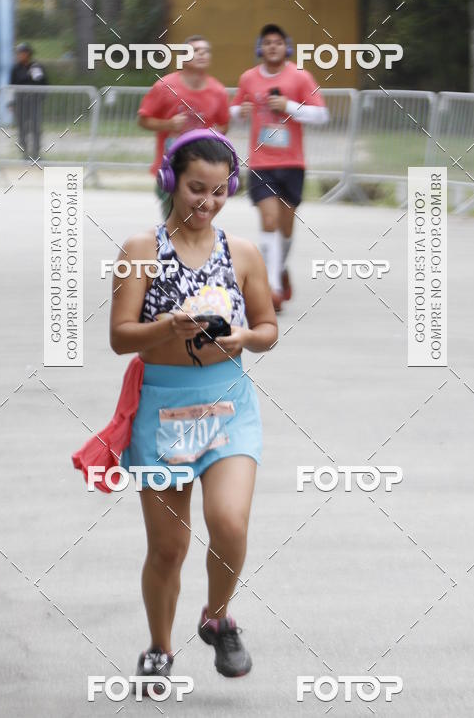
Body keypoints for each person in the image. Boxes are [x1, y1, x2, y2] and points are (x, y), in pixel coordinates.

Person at [110, 128, 278, 688]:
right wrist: (168, 325)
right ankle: (159, 648)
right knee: (168, 547)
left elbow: (268, 327)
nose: (206, 203)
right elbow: (120, 336)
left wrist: (246, 341)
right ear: (170, 183)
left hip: (229, 405)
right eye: (194, 188)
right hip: (163, 409)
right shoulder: (140, 251)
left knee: (229, 523)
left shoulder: (243, 253)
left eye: (218, 191)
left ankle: (217, 618)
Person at [230, 24, 329, 311]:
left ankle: (280, 268)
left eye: (278, 42)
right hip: (261, 163)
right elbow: (234, 111)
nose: (272, 47)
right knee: (269, 220)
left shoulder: (300, 76)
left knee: (285, 227)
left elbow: (321, 115)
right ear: (259, 48)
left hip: (292, 162)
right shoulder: (249, 78)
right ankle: (272, 287)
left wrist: (288, 105)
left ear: (287, 47)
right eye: (267, 42)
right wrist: (240, 112)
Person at [137, 36, 230, 216]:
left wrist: (211, 134)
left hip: (202, 166)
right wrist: (168, 124)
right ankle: (170, 242)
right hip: (170, 165)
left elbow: (224, 125)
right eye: (195, 51)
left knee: (196, 218)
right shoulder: (165, 86)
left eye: (206, 51)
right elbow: (143, 120)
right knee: (172, 217)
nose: (202, 54)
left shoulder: (218, 91)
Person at [10, 42, 48, 161]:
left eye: (21, 53)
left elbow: (43, 83)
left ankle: (36, 153)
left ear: (28, 54)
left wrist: (41, 98)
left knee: (36, 128)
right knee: (22, 129)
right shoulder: (15, 68)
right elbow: (12, 86)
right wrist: (12, 103)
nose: (19, 55)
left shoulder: (36, 67)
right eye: (18, 53)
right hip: (20, 103)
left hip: (34, 102)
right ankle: (24, 154)